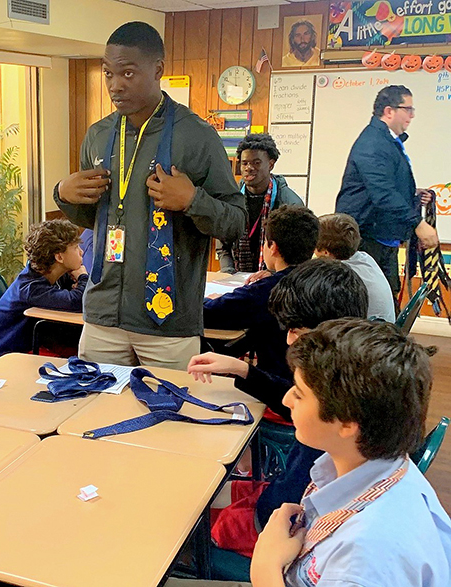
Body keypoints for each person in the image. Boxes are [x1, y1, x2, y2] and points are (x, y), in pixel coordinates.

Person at [170, 319, 451, 587]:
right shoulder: (373, 463)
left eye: (300, 394)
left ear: (347, 424)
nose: (286, 398)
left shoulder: (361, 562)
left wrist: (265, 570)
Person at [55, 21, 246, 370]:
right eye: (109, 74)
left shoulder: (197, 136)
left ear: (158, 69)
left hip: (168, 323)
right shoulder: (97, 135)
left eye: (128, 73)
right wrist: (63, 195)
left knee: (170, 421)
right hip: (102, 316)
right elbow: (94, 218)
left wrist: (193, 200)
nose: (115, 85)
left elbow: (236, 221)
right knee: (94, 415)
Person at [190, 258, 369, 558]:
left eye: (297, 331)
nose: (288, 340)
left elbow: (292, 505)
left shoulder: (335, 420)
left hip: (277, 522)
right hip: (278, 498)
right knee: (200, 495)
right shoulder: (347, 384)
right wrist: (244, 371)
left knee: (187, 515)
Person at [336, 85, 437, 302]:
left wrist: (413, 194)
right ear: (389, 111)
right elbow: (381, 192)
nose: (412, 115)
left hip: (381, 237)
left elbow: (386, 184)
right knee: (369, 303)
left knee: (386, 300)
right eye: (407, 109)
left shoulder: (386, 141)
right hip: (366, 239)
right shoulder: (373, 143)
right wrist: (418, 224)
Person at [204, 206, 319, 382]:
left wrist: (209, 300)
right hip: (315, 381)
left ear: (272, 247)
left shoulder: (269, 290)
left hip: (277, 386)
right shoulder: (321, 278)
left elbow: (210, 313)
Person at [0, 219, 88, 359]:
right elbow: (77, 302)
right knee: (78, 361)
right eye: (76, 247)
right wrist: (83, 277)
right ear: (59, 257)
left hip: (34, 342)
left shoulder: (54, 274)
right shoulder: (30, 287)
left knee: (82, 349)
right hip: (11, 353)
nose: (81, 252)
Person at [216, 134, 304, 275]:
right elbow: (223, 245)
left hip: (275, 278)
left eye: (256, 163)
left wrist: (272, 274)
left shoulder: (291, 204)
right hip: (236, 278)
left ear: (271, 164)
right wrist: (227, 272)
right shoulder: (231, 199)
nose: (249, 168)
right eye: (245, 163)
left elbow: (297, 253)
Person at [315, 213, 395, 322]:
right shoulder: (366, 258)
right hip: (381, 331)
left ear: (325, 252)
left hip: (364, 334)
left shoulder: (340, 277)